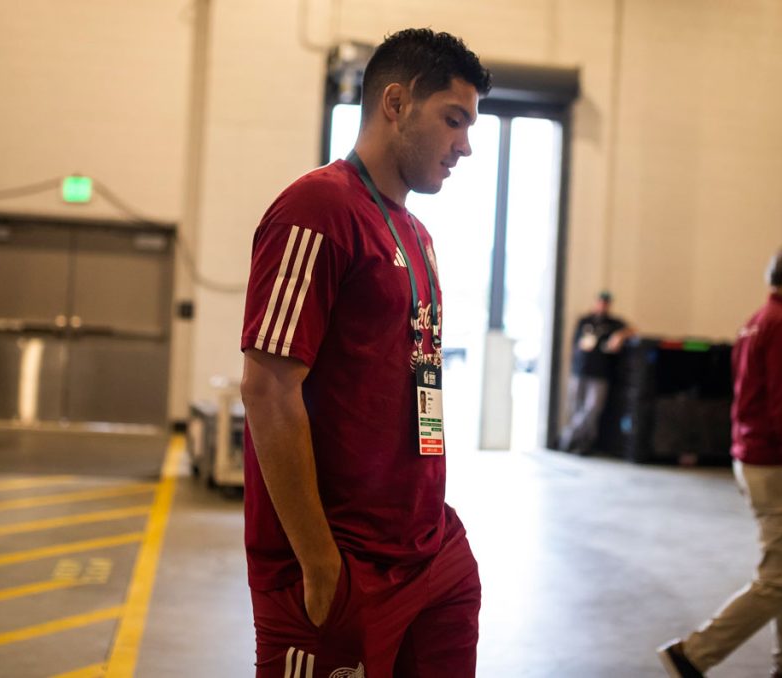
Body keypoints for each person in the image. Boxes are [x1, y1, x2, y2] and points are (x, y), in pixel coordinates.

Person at [239, 29, 491, 677]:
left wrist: (435, 527)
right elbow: (268, 389)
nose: (466, 145)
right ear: (397, 104)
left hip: (429, 552)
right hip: (341, 564)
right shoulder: (317, 208)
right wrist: (319, 560)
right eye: (454, 120)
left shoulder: (416, 233)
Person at [658, 243, 782, 678]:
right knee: (778, 578)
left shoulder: (758, 322)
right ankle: (692, 655)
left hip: (756, 460)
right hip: (779, 466)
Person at [557, 290, 633, 454]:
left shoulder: (613, 323)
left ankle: (573, 439)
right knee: (576, 407)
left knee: (592, 409)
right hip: (580, 370)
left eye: (606, 303)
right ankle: (574, 440)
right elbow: (575, 344)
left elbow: (631, 330)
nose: (602, 305)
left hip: (600, 373)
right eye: (600, 302)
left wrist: (619, 336)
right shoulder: (585, 321)